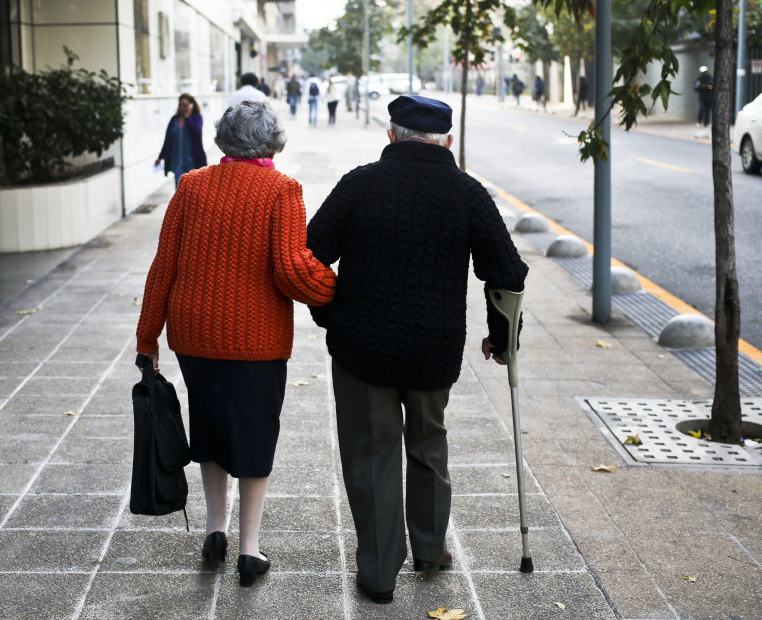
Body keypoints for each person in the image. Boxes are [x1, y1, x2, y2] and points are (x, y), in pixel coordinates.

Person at [306, 95, 528, 605]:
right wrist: (503, 338)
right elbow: (508, 274)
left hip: (363, 350)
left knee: (372, 453)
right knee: (429, 445)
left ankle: (379, 572)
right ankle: (429, 550)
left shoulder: (360, 184)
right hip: (434, 348)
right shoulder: (467, 192)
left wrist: (331, 314)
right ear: (447, 141)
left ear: (391, 135)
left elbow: (309, 256)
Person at [136, 99, 337, 588]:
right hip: (256, 339)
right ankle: (249, 551)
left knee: (209, 429)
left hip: (194, 335)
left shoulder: (191, 186)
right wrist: (334, 290)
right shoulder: (282, 189)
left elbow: (164, 265)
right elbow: (290, 270)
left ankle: (215, 532)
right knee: (253, 435)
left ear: (224, 139)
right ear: (272, 142)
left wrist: (147, 337)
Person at [156, 93, 207, 187]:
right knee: (180, 189)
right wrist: (160, 157)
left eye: (185, 105)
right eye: (180, 104)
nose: (182, 107)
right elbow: (167, 140)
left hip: (192, 162)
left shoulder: (197, 118)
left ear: (191, 106)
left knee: (193, 189)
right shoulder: (174, 120)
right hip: (177, 163)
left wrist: (187, 117)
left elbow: (196, 131)